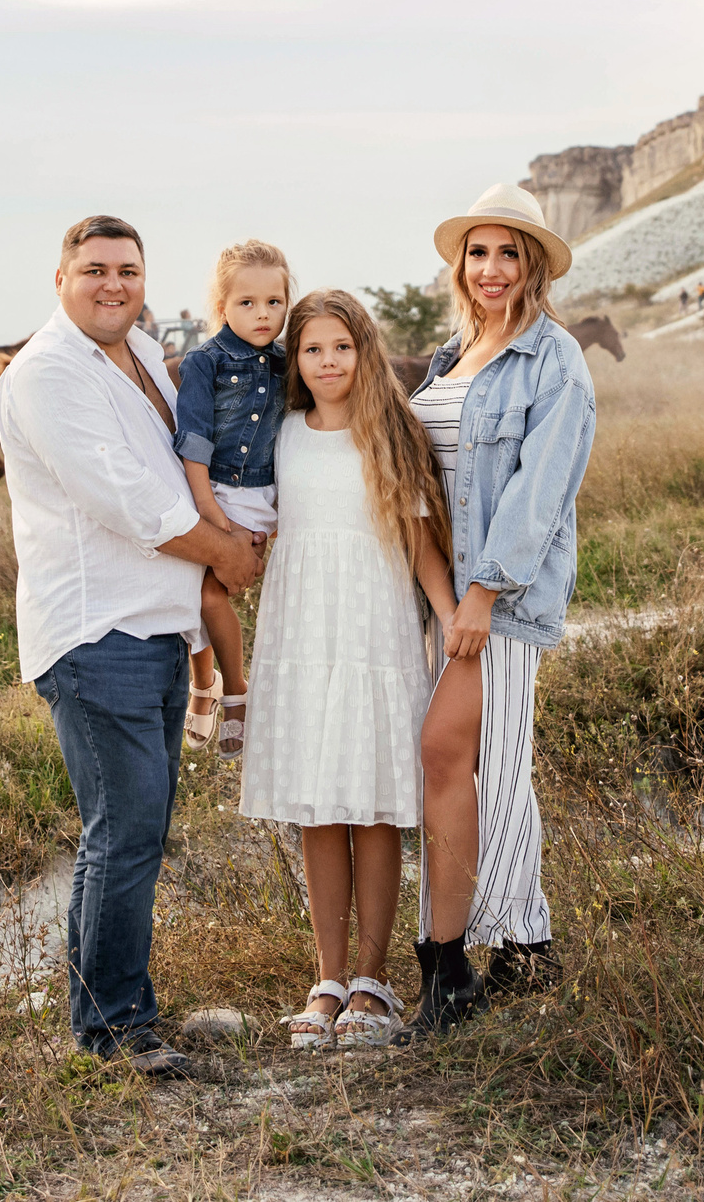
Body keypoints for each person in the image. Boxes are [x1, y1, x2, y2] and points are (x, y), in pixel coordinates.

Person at [0, 215, 264, 1080]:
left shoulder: (142, 352)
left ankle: (112, 1012)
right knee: (126, 830)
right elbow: (125, 499)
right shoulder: (48, 372)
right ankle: (115, 1030)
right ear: (61, 278)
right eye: (95, 269)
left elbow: (183, 465)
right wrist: (225, 553)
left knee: (128, 831)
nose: (113, 283)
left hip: (153, 627)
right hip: (96, 631)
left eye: (128, 270)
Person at [239, 289, 458, 1048]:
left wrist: (450, 617)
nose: (328, 361)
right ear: (293, 361)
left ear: (365, 350)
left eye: (342, 346)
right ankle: (327, 977)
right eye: (312, 349)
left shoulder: (391, 430)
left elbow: (421, 539)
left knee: (372, 803)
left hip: (373, 631)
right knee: (319, 803)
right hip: (303, 632)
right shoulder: (281, 434)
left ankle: (373, 979)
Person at [405, 183, 597, 1030]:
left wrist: (482, 593)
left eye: (508, 252)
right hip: (443, 599)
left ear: (534, 266)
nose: (491, 268)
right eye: (477, 252)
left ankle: (455, 962)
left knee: (463, 756)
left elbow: (539, 492)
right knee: (477, 765)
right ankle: (524, 947)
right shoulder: (452, 354)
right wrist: (446, 597)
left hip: (500, 601)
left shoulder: (554, 359)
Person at [171, 240, 292, 760]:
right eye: (247, 303)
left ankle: (219, 687)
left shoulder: (290, 361)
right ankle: (221, 687)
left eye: (274, 302)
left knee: (212, 596)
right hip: (211, 491)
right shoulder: (205, 362)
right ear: (222, 307)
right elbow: (194, 443)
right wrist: (213, 516)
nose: (263, 314)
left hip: (264, 497)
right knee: (191, 595)